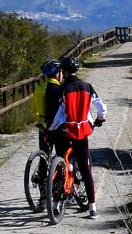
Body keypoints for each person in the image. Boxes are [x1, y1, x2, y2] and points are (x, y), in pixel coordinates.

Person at [46, 56, 106, 218]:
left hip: (64, 132)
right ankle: (93, 208)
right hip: (81, 133)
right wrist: (100, 118)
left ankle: (56, 204)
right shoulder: (87, 86)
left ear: (63, 71)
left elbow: (59, 115)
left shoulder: (62, 89)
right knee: (86, 170)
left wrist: (51, 128)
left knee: (61, 165)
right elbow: (100, 106)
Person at [29, 59, 62, 151]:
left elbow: (33, 109)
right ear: (57, 74)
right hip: (57, 124)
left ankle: (44, 164)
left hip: (43, 124)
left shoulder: (39, 88)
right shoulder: (59, 88)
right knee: (61, 152)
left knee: (44, 153)